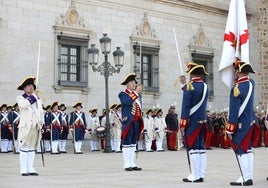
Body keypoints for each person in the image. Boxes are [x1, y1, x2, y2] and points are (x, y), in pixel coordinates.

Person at [226, 61, 255, 186]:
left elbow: (234, 111)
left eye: (236, 71)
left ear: (238, 71)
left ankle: (245, 177)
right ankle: (248, 176)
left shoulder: (236, 88)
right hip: (250, 122)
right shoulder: (251, 84)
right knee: (247, 148)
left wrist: (230, 129)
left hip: (240, 124)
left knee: (240, 150)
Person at [179, 62, 210, 183]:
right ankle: (201, 174)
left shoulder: (189, 86)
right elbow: (194, 92)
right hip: (202, 121)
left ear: (191, 74)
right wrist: (184, 84)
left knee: (192, 148)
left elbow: (186, 106)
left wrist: (182, 123)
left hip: (192, 122)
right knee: (201, 148)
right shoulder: (207, 87)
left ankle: (194, 174)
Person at [16, 76, 44, 176]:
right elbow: (23, 106)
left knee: (32, 147)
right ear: (24, 88)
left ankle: (30, 167)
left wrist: (42, 123)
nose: (31, 87)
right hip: (26, 126)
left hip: (35, 126)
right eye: (29, 86)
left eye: (32, 86)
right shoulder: (21, 98)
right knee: (24, 147)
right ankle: (23, 168)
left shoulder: (37, 99)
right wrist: (32, 98)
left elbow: (40, 112)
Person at [118, 73, 144, 171]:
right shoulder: (123, 94)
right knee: (127, 142)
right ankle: (126, 164)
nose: (134, 84)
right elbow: (127, 102)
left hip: (137, 121)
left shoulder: (138, 95)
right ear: (127, 84)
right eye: (132, 82)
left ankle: (132, 163)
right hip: (128, 121)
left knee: (133, 142)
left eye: (135, 82)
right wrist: (136, 93)